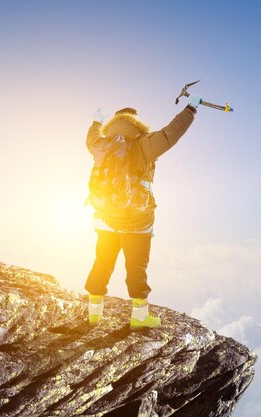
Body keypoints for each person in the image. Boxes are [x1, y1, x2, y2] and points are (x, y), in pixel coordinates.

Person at [84, 95, 201, 330]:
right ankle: (139, 317)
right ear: (136, 123)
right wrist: (190, 108)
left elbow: (90, 138)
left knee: (103, 261)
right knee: (136, 266)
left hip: (105, 217)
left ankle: (93, 315)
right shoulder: (144, 143)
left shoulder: (102, 144)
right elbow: (171, 133)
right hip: (137, 220)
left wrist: (97, 121)